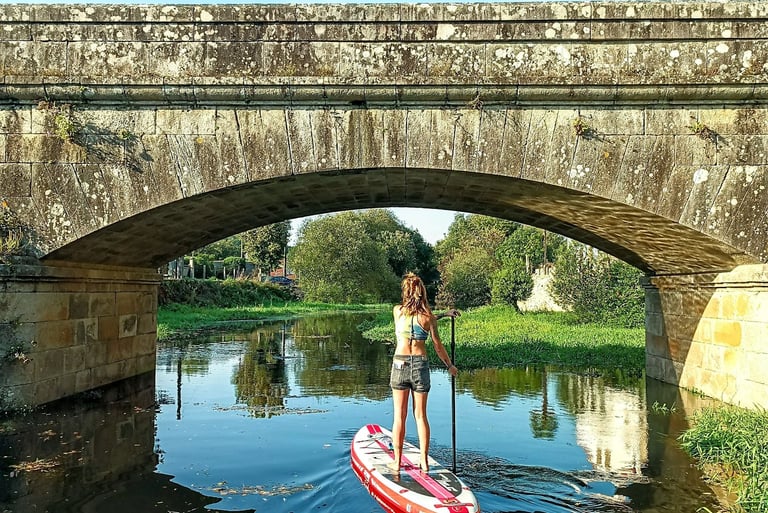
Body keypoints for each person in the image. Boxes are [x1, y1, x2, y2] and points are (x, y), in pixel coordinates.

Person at [388, 272, 459, 473]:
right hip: (420, 365)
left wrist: (444, 314)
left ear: (406, 291)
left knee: (399, 417)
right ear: (422, 292)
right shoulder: (428, 317)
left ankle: (397, 461)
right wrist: (450, 366)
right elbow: (438, 347)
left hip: (400, 364)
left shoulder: (397, 311)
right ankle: (424, 462)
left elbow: (411, 315)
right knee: (420, 415)